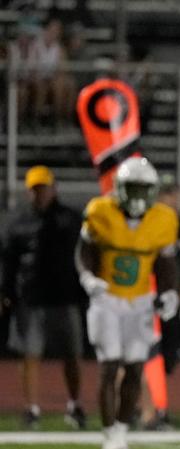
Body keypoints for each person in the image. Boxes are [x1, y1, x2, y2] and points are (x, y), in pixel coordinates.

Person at [77, 156, 179, 449]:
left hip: (139, 300)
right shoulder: (100, 211)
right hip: (107, 298)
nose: (137, 196)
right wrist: (87, 277)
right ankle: (110, 434)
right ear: (120, 188)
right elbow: (83, 251)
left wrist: (169, 292)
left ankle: (121, 431)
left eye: (143, 189)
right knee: (109, 366)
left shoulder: (163, 219)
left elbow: (165, 262)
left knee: (135, 366)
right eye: (132, 189)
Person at [0, 165, 86, 429]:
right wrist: (5, 292)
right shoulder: (18, 222)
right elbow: (8, 261)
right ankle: (32, 408)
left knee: (72, 354)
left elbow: (86, 255)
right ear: (29, 192)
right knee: (30, 354)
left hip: (64, 295)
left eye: (44, 188)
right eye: (36, 189)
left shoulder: (71, 219)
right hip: (31, 297)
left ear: (53, 187)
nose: (41, 193)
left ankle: (74, 404)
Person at [140, 176, 180, 430]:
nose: (172, 199)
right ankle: (144, 409)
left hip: (170, 301)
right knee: (142, 357)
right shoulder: (146, 222)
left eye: (174, 194)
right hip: (144, 299)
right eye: (166, 194)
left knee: (166, 357)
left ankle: (158, 408)